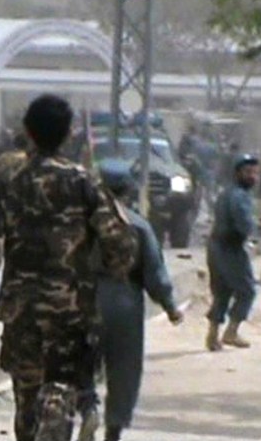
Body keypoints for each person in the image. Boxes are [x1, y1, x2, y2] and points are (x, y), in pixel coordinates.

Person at [0, 94, 137, 441]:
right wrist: (110, 275)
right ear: (68, 135)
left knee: (27, 401)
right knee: (62, 389)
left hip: (22, 315)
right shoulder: (85, 183)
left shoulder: (6, 183)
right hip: (72, 314)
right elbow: (121, 244)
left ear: (28, 132)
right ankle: (58, 417)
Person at [78, 159, 184, 441]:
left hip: (86, 297)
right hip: (125, 301)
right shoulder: (138, 226)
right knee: (124, 367)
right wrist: (170, 306)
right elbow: (154, 272)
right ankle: (114, 429)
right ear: (128, 189)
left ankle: (88, 407)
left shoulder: (81, 222)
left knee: (81, 361)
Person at [205, 153, 259, 351]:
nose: (253, 177)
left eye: (255, 172)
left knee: (222, 291)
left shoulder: (227, 193)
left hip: (216, 247)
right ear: (238, 173)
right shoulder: (239, 196)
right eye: (248, 172)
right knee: (247, 290)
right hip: (231, 249)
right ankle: (231, 332)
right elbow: (245, 225)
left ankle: (212, 336)